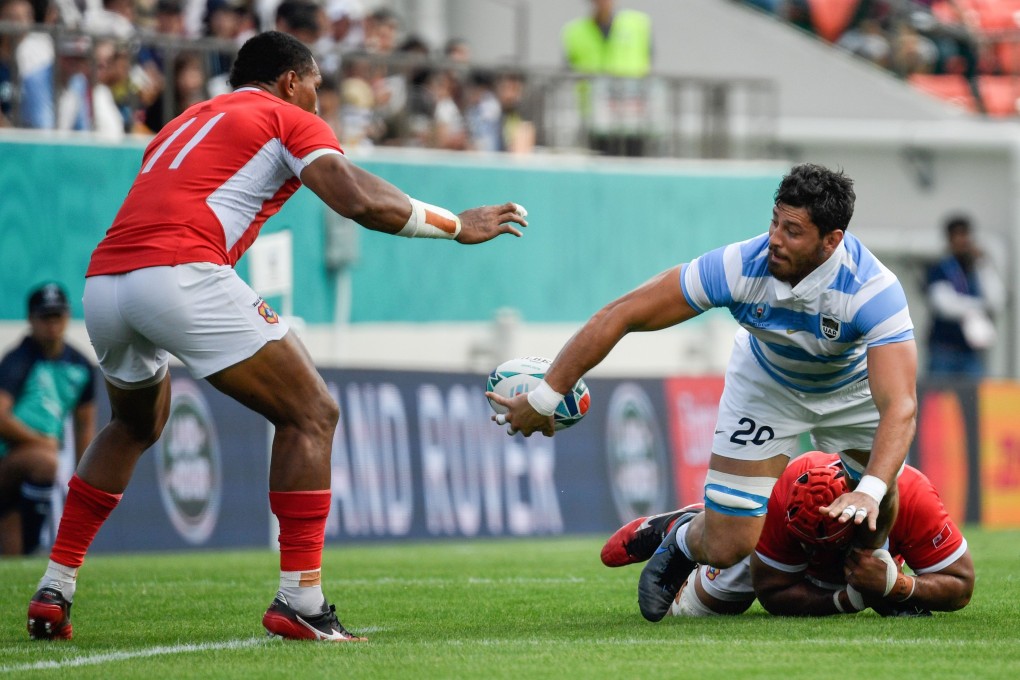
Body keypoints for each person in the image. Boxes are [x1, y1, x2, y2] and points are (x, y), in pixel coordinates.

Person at [26, 30, 528, 643]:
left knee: (132, 425)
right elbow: (357, 199)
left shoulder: (183, 121)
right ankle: (302, 601)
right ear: (292, 80)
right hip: (182, 273)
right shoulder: (285, 115)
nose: (319, 97)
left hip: (106, 282)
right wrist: (456, 224)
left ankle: (55, 586)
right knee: (312, 413)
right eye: (316, 83)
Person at [488, 163, 917, 623]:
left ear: (831, 241)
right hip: (768, 387)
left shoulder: (873, 289)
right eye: (774, 221)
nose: (774, 238)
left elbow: (901, 405)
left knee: (882, 495)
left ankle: (874, 576)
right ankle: (683, 535)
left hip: (850, 394)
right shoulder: (739, 267)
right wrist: (545, 397)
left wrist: (869, 490)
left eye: (792, 231)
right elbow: (622, 314)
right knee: (729, 546)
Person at [602, 452, 974, 618]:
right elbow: (774, 591)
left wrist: (899, 586)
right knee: (698, 611)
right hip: (773, 535)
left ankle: (704, 520)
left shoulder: (912, 496)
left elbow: (961, 584)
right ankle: (696, 527)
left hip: (842, 547)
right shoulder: (781, 496)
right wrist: (847, 600)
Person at [0, 283, 96, 557]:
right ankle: (36, 541)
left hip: (29, 476)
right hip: (8, 460)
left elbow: (85, 425)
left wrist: (84, 480)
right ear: (31, 319)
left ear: (67, 317)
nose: (52, 325)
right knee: (44, 461)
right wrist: (41, 441)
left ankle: (29, 544)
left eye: (58, 316)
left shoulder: (80, 366)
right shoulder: (18, 361)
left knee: (13, 562)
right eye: (45, 317)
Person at [561, 0, 652, 156]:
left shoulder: (638, 24)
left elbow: (649, 59)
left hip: (632, 115)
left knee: (635, 165)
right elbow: (568, 69)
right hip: (594, 117)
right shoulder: (574, 32)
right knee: (600, 164)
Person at [926, 215, 1004, 378]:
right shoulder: (940, 268)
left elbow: (996, 300)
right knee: (939, 397)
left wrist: (983, 264)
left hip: (971, 351)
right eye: (958, 235)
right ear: (949, 239)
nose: (962, 241)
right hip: (944, 349)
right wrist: (980, 306)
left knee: (975, 397)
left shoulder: (977, 268)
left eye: (965, 235)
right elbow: (944, 306)